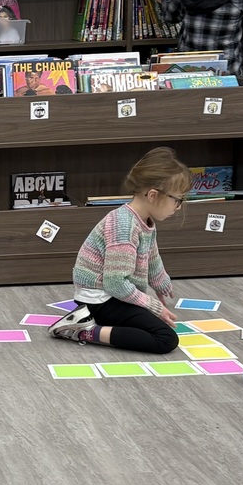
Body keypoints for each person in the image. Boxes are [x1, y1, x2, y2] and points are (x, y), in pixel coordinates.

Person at [48, 147, 192, 354]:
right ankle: (82, 330)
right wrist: (153, 306)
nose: (178, 207)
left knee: (151, 325)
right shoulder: (123, 226)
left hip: (113, 296)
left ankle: (89, 323)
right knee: (166, 339)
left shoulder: (144, 220)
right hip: (101, 300)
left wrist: (160, 282)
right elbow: (115, 283)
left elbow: (152, 257)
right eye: (177, 200)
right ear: (153, 195)